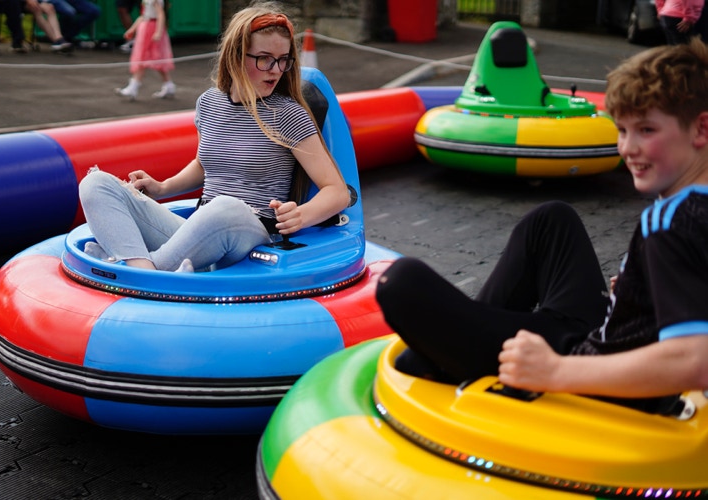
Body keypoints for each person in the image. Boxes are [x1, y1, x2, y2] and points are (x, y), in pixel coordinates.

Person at [376, 38, 708, 415]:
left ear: (701, 129)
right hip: (609, 331)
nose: (627, 148)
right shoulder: (689, 206)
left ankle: (463, 354)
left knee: (399, 283)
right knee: (551, 220)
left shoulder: (669, 223)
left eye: (646, 130)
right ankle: (467, 344)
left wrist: (556, 371)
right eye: (623, 130)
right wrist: (642, 291)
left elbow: (694, 361)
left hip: (601, 376)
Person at [79, 2, 349, 274]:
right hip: (200, 228)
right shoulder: (209, 103)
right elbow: (205, 162)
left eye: (283, 59)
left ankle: (130, 267)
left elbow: (337, 192)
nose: (276, 70)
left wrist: (301, 216)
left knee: (225, 207)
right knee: (96, 183)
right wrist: (163, 187)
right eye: (265, 58)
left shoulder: (289, 115)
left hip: (250, 231)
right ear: (236, 55)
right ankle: (143, 270)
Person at [114, 0, 174, 100]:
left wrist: (158, 32)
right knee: (149, 58)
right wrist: (132, 30)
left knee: (148, 58)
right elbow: (143, 16)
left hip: (151, 29)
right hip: (145, 28)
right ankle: (168, 85)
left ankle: (133, 86)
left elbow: (160, 14)